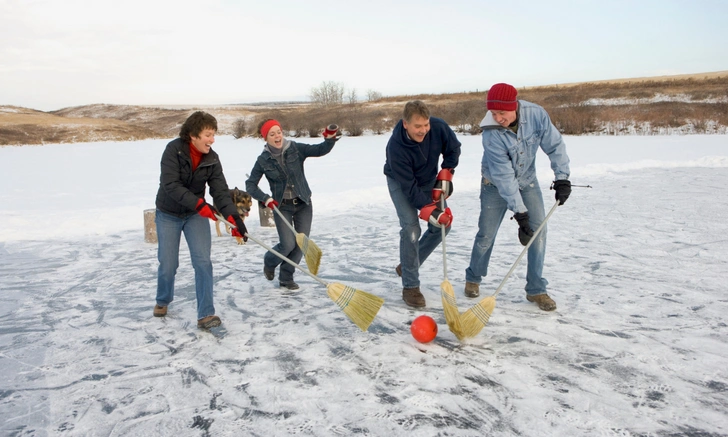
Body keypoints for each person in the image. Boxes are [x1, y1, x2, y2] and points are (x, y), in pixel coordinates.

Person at [464, 83, 572, 311]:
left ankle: (536, 289)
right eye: (493, 113)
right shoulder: (491, 134)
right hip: (494, 185)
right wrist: (520, 213)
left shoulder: (536, 115)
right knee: (486, 234)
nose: (498, 118)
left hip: (527, 181)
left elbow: (554, 145)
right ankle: (473, 277)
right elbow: (503, 177)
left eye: (502, 113)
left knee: (538, 232)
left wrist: (562, 177)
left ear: (514, 106)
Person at [153, 111, 248, 329]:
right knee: (168, 264)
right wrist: (199, 204)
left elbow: (221, 192)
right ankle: (163, 299)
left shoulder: (212, 158)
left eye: (213, 134)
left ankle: (206, 313)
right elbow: (171, 185)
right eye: (208, 134)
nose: (212, 140)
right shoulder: (173, 151)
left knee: (203, 262)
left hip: (195, 215)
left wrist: (234, 218)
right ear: (193, 135)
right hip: (168, 213)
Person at [383, 100, 461, 308]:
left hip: (428, 179)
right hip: (401, 183)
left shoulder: (438, 127)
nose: (423, 130)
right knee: (411, 228)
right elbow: (409, 189)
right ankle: (410, 286)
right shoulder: (395, 147)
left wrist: (446, 173)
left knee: (443, 226)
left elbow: (453, 149)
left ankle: (409, 265)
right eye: (418, 126)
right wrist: (430, 209)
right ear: (405, 124)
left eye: (426, 125)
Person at [245, 119, 339, 290]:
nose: (277, 136)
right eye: (272, 134)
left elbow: (319, 150)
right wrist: (265, 198)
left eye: (278, 132)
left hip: (303, 202)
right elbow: (250, 185)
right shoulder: (263, 160)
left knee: (302, 244)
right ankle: (270, 260)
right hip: (282, 207)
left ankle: (286, 278)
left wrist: (329, 139)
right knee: (287, 244)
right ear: (265, 138)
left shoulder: (295, 148)